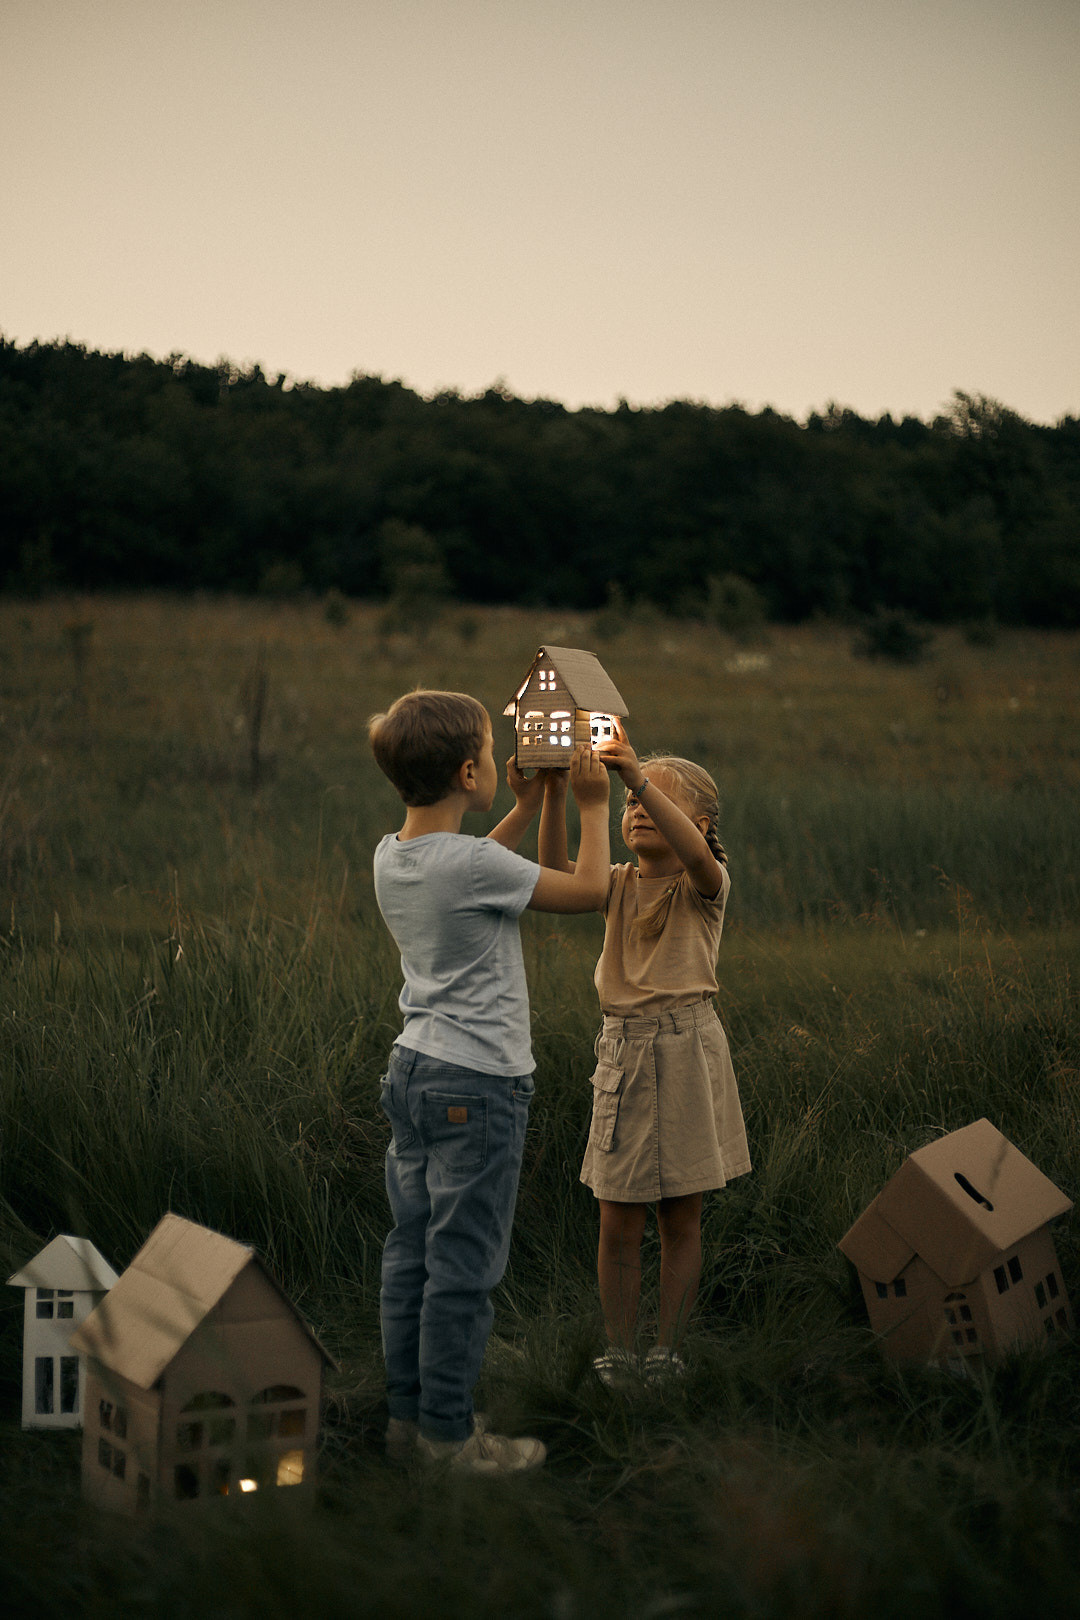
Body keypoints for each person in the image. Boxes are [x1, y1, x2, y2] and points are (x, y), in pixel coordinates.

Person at [368, 689, 610, 1472]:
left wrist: (525, 801)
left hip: (412, 1074)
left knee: (411, 1257)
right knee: (463, 1273)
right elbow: (589, 891)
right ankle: (448, 1440)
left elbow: (480, 866)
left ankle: (407, 1422)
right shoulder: (471, 865)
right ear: (470, 770)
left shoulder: (393, 855)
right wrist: (591, 805)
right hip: (478, 1086)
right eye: (488, 746)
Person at [539, 721, 750, 1383]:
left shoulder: (704, 884)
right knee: (617, 1215)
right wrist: (556, 795)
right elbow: (555, 873)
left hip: (687, 1050)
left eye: (653, 797)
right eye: (630, 801)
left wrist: (633, 773)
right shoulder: (619, 883)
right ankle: (620, 1349)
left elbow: (697, 857)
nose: (635, 807)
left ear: (702, 821)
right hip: (624, 1056)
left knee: (679, 1216)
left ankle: (669, 1350)